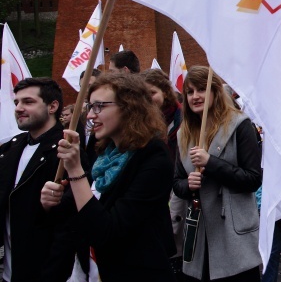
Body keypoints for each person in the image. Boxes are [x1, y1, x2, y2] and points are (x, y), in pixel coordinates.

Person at [41, 73, 176, 281]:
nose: (90, 115)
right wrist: (52, 202)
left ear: (128, 106)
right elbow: (77, 216)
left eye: (99, 106)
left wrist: (76, 172)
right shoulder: (104, 153)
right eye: (90, 106)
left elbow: (107, 231)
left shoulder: (154, 156)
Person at [173, 66, 262, 282]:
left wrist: (211, 163)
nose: (195, 96)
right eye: (190, 91)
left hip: (233, 237)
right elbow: (176, 182)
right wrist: (188, 184)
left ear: (214, 91)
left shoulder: (240, 126)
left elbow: (252, 179)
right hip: (198, 239)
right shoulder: (183, 133)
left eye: (201, 90)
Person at [0, 78, 78, 281]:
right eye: (17, 102)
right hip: (9, 271)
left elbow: (71, 224)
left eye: (28, 102)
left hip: (43, 272)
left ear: (52, 106)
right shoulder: (9, 150)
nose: (18, 108)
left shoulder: (67, 152)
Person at [142, 68, 185, 279]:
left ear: (165, 92)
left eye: (152, 93)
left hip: (179, 196)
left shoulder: (182, 120)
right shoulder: (142, 124)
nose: (148, 99)